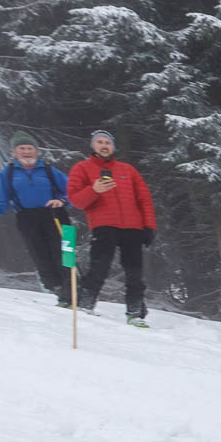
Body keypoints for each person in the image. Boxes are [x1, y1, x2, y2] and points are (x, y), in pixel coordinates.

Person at [66, 129, 156, 327]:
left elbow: (145, 200)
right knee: (100, 266)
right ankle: (85, 304)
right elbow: (76, 201)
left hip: (133, 227)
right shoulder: (82, 168)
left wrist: (149, 226)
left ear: (113, 147)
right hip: (104, 226)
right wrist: (94, 190)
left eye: (107, 142)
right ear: (93, 146)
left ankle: (135, 312)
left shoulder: (128, 170)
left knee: (134, 272)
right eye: (99, 142)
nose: (103, 145)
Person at [0, 132, 72, 304]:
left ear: (37, 152)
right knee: (41, 256)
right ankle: (59, 290)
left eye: (30, 148)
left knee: (66, 254)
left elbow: (72, 191)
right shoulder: (8, 173)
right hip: (27, 218)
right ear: (14, 152)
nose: (27, 152)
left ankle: (74, 290)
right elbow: (1, 199)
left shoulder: (49, 170)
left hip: (56, 215)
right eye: (22, 148)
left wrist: (62, 201)